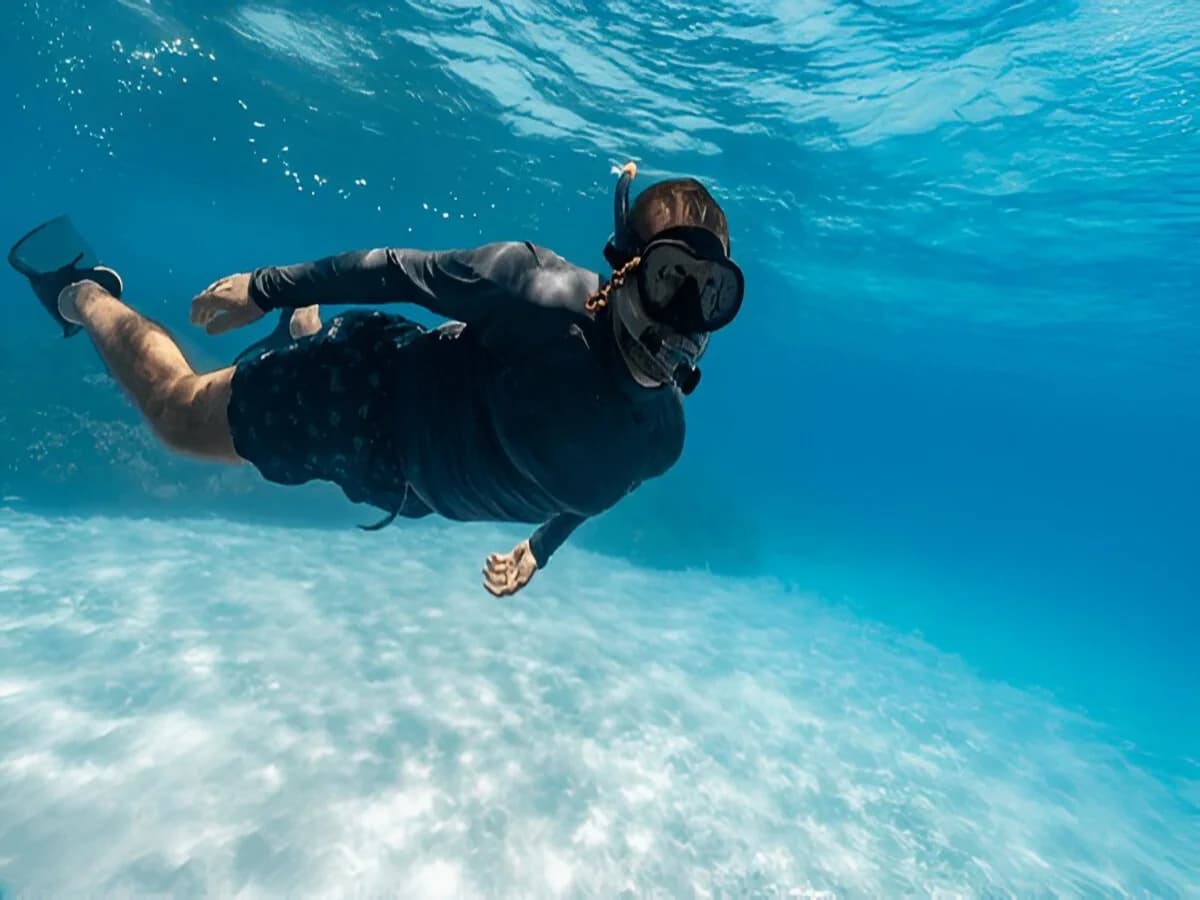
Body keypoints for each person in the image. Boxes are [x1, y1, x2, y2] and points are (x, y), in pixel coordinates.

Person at [36, 163, 744, 596]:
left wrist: (539, 548)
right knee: (177, 416)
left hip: (405, 488)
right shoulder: (534, 290)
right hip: (364, 396)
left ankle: (303, 334)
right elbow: (397, 270)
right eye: (670, 278)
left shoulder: (662, 439)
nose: (685, 316)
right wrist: (264, 287)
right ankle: (80, 291)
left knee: (297, 364)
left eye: (710, 293)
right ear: (625, 269)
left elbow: (599, 481)